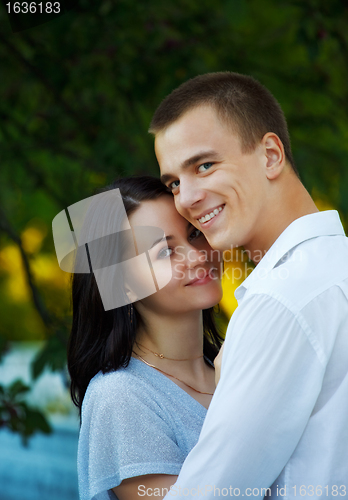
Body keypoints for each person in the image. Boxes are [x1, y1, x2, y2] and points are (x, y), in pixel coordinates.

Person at [150, 72, 348, 498]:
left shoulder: (282, 300)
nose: (185, 198)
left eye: (204, 165)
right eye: (174, 183)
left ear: (271, 156)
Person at [66, 175, 224, 500]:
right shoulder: (120, 398)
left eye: (195, 234)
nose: (196, 256)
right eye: (166, 252)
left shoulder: (235, 362)